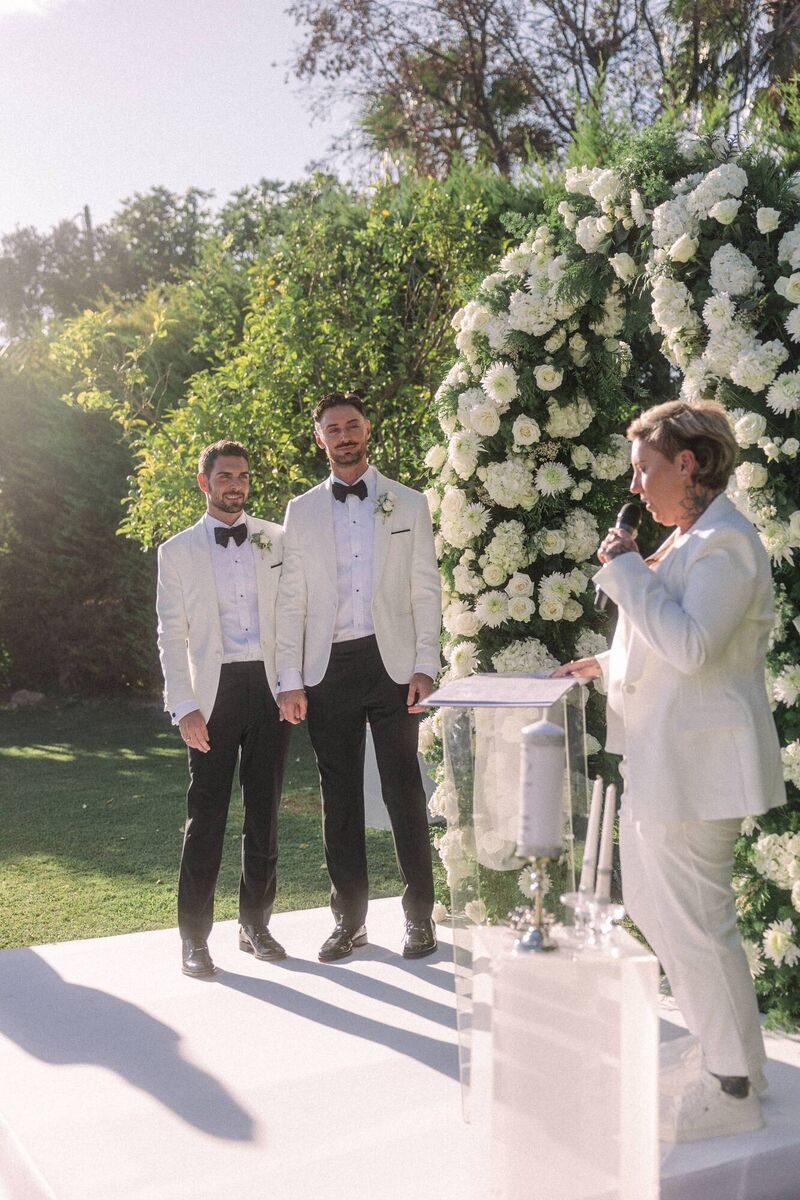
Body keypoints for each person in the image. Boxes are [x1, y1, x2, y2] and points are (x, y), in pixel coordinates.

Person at [554, 399, 785, 1143]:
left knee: (695, 927)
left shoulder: (727, 545)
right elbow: (667, 640)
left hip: (697, 769)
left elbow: (691, 647)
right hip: (664, 761)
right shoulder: (691, 539)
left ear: (689, 463)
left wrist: (623, 570)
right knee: (666, 917)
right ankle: (734, 1059)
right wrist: (610, 660)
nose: (636, 483)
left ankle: (732, 1086)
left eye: (645, 468)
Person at [276, 391, 441, 962]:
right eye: (332, 428)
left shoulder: (409, 503)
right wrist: (289, 679)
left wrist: (426, 665)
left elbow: (425, 590)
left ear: (367, 430)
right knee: (338, 795)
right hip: (327, 669)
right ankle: (349, 921)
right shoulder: (300, 512)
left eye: (352, 426)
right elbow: (290, 600)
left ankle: (420, 917)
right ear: (319, 438)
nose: (343, 436)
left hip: (392, 664)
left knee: (403, 790)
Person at [156, 440, 290, 978]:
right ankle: (194, 938)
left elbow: (295, 614)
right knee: (206, 816)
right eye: (226, 476)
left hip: (269, 686)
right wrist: (184, 707)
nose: (236, 484)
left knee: (265, 813)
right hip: (211, 696)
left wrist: (292, 684)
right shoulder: (177, 551)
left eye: (243, 476)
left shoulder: (276, 540)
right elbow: (169, 635)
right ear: (204, 481)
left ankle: (255, 924)